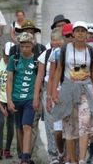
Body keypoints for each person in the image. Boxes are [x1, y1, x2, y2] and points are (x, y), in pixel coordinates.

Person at [51, 21, 93, 164]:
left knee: (84, 123)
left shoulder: (91, 51)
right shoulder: (65, 49)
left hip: (86, 89)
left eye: (83, 31)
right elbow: (59, 70)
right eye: (77, 30)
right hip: (68, 88)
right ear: (72, 33)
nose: (80, 33)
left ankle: (81, 159)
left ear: (87, 34)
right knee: (69, 126)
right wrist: (54, 92)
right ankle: (71, 159)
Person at [34, 28, 66, 164]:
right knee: (50, 122)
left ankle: (65, 152)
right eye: (53, 39)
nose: (55, 42)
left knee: (66, 123)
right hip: (48, 89)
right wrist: (37, 97)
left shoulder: (68, 53)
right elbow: (40, 76)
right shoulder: (46, 55)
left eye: (58, 39)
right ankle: (53, 153)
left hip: (65, 89)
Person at [7, 32, 39, 164]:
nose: (24, 49)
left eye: (27, 46)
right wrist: (9, 100)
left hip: (29, 98)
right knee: (19, 128)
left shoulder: (37, 60)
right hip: (16, 98)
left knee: (27, 126)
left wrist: (36, 98)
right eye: (22, 46)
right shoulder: (13, 60)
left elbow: (38, 80)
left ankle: (25, 157)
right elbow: (9, 80)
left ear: (32, 45)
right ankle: (22, 154)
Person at [0, 52, 16, 160]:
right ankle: (0, 148)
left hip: (11, 97)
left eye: (9, 56)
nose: (7, 58)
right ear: (2, 54)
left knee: (10, 124)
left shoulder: (15, 63)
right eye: (5, 56)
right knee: (0, 122)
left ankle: (7, 149)